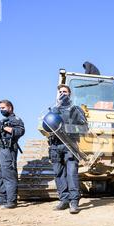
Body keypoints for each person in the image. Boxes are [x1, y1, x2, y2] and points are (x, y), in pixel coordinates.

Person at [47, 84, 87, 214]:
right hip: (55, 145)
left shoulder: (75, 110)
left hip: (70, 145)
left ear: (69, 95)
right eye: (60, 92)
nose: (62, 94)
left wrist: (69, 128)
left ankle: (74, 202)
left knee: (71, 174)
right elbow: (46, 125)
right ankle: (64, 200)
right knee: (58, 173)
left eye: (65, 92)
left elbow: (84, 128)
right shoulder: (53, 110)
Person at [0, 100, 25, 209]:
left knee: (9, 174)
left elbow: (19, 132)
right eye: (0, 108)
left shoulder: (15, 119)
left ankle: (11, 201)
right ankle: (1, 199)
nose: (1, 110)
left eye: (3, 108)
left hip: (8, 149)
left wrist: (2, 127)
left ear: (10, 108)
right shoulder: (2, 121)